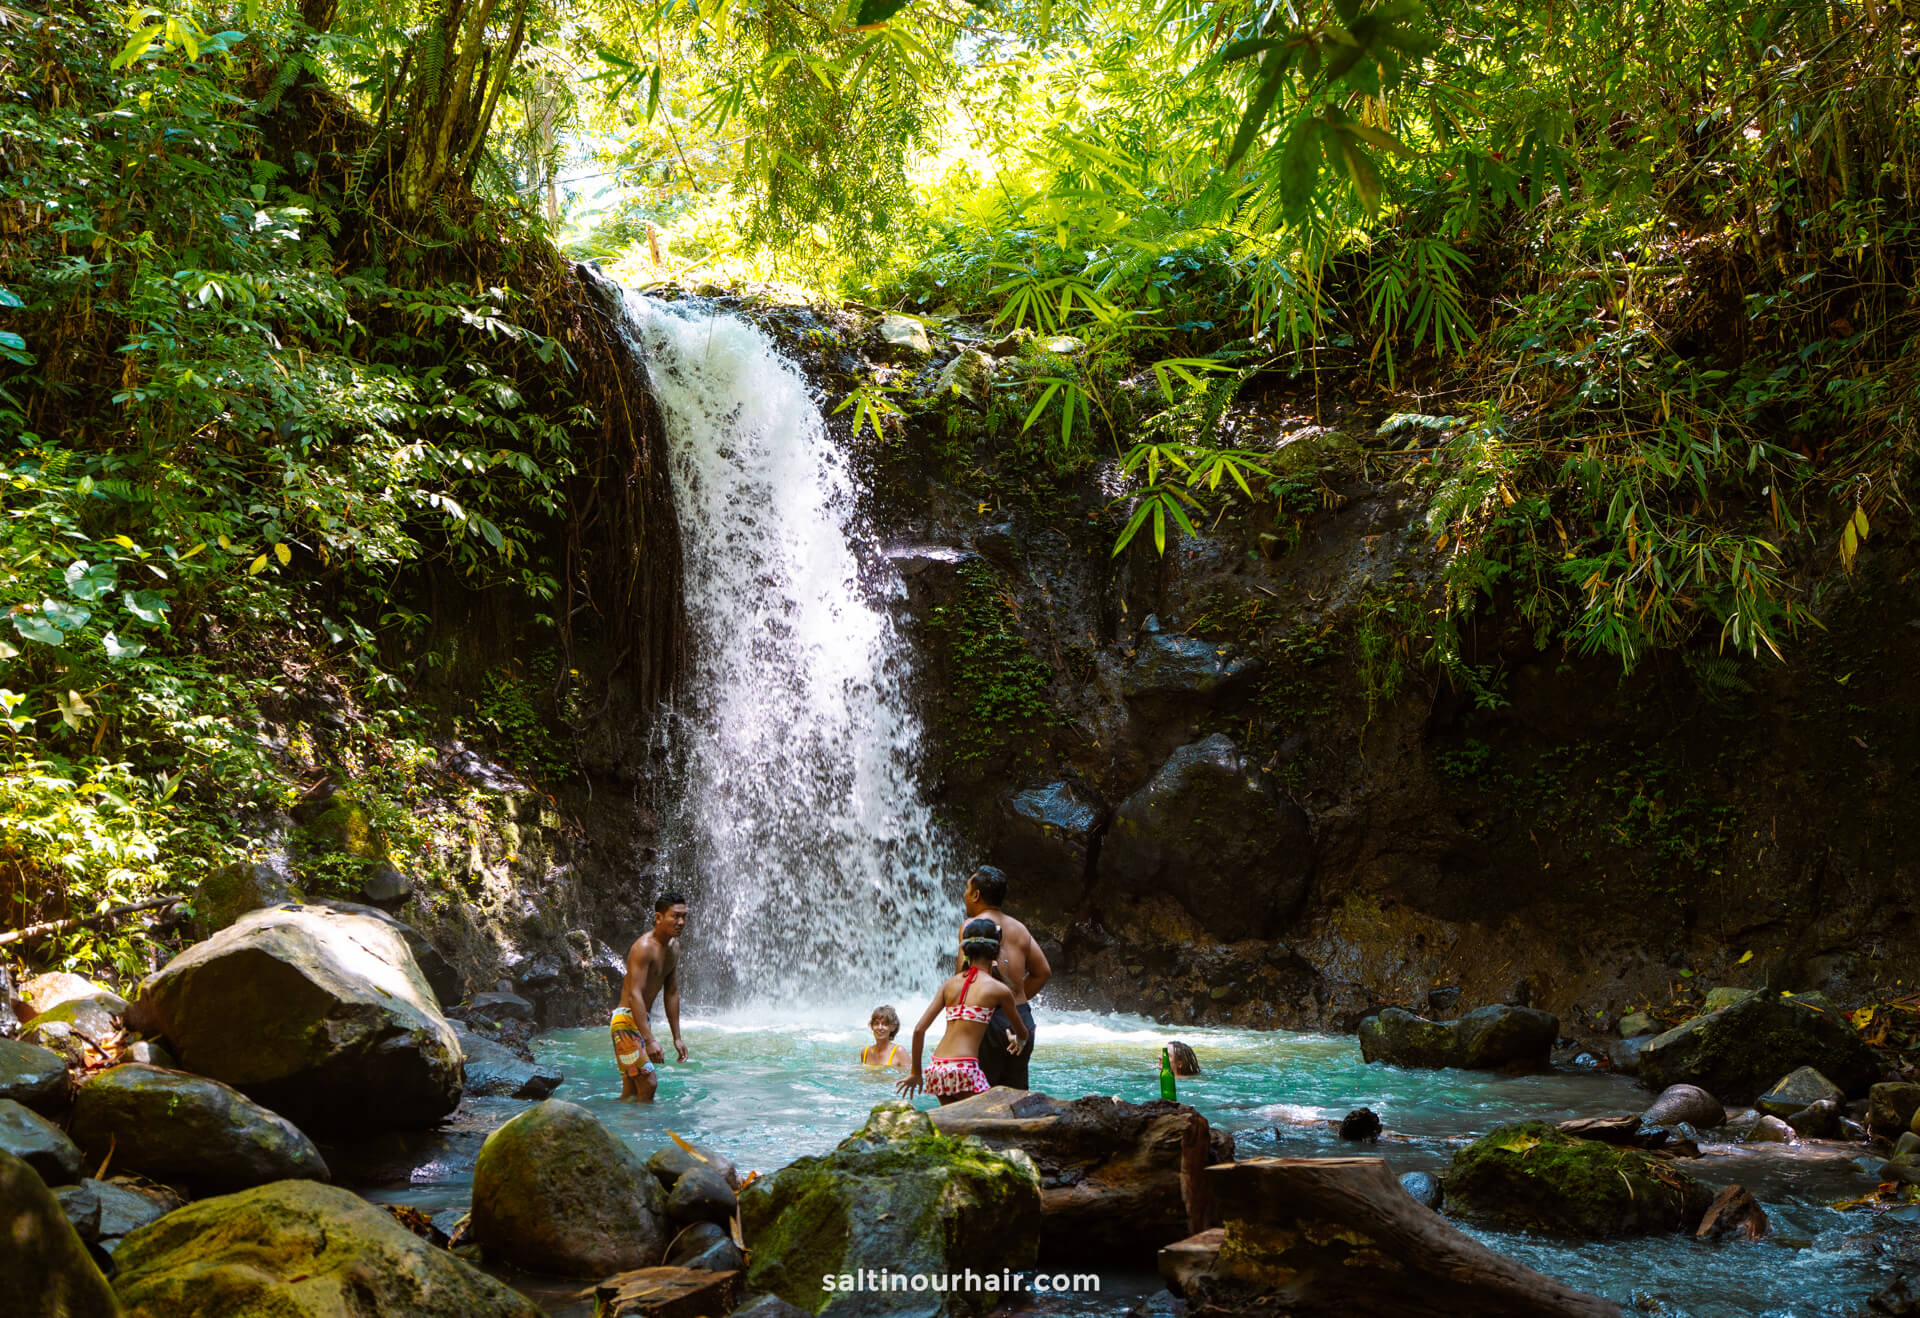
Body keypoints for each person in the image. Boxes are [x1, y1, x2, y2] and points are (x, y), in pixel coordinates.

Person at [899, 918, 1029, 1104]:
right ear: (997, 951)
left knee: (957, 1128)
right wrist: (1018, 1040)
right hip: (964, 1068)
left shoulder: (949, 984)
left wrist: (916, 1073)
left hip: (937, 1068)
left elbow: (919, 1030)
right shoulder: (999, 989)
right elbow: (1022, 1032)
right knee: (991, 1119)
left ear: (966, 951)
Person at [957, 866, 1049, 1089]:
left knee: (981, 1095)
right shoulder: (1019, 928)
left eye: (968, 890)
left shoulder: (972, 926)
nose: (965, 895)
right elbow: (1043, 972)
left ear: (976, 895)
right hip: (1021, 1018)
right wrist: (1014, 998)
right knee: (1015, 1095)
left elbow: (964, 977)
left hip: (987, 1019)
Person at [611, 892, 689, 1102]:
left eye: (684, 916)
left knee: (631, 1093)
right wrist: (649, 1039)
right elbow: (635, 993)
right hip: (626, 1020)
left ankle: (613, 1125)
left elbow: (671, 992)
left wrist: (677, 1037)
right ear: (658, 917)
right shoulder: (643, 948)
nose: (681, 922)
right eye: (675, 916)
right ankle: (641, 1132)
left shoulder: (674, 948)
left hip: (640, 1019)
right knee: (649, 1084)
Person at [860, 1005, 907, 1070]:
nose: (880, 1027)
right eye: (876, 1023)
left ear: (893, 1027)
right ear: (871, 1026)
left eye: (885, 1024)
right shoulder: (865, 1052)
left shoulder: (899, 1051)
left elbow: (911, 1077)